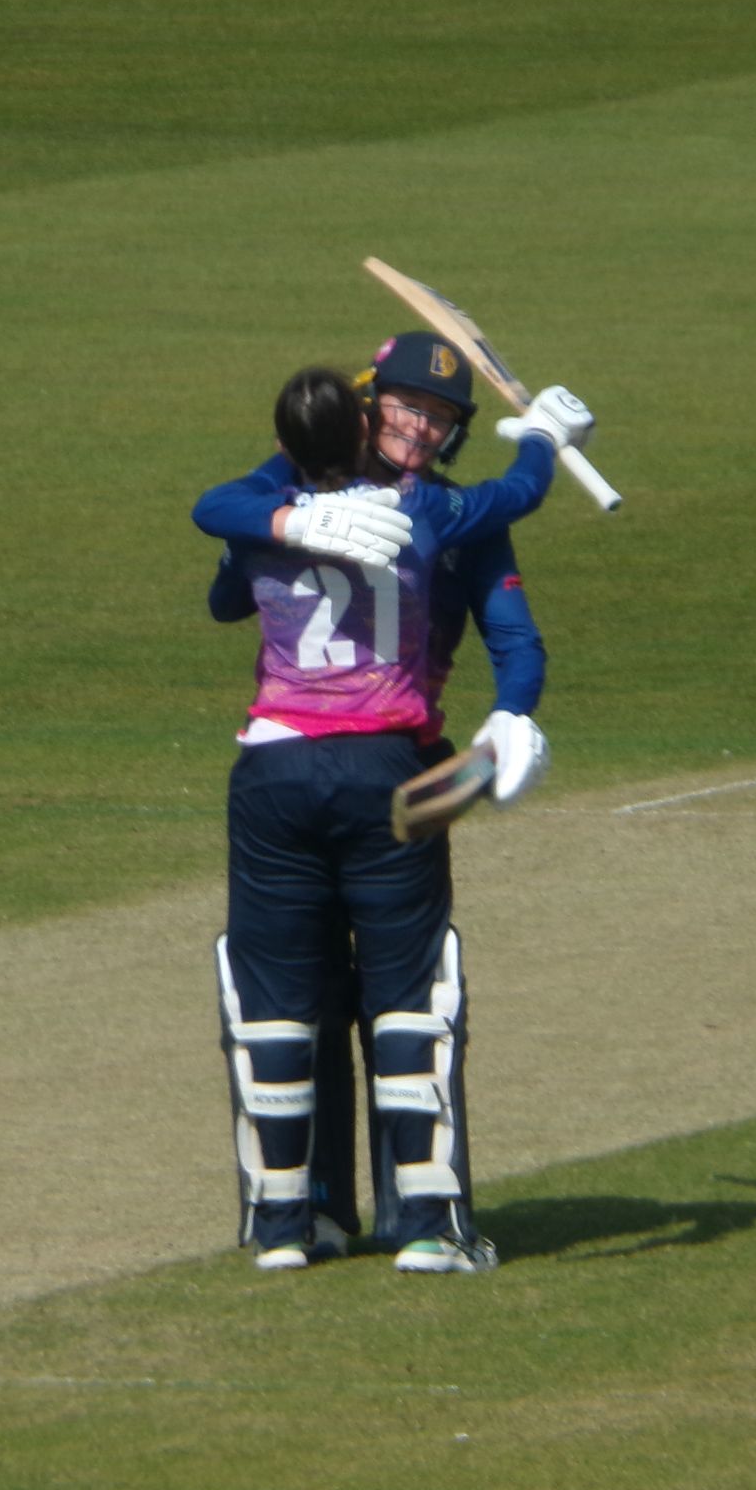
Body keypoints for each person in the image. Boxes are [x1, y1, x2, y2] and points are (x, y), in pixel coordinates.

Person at [193, 363, 592, 1275]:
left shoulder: (269, 502)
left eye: (440, 415)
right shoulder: (442, 515)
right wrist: (542, 438)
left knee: (280, 999)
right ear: (371, 410)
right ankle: (427, 1226)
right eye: (409, 406)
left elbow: (220, 568)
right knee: (411, 995)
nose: (423, 426)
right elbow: (520, 498)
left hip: (271, 769)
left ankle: (287, 1227)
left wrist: (283, 524)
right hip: (395, 774)